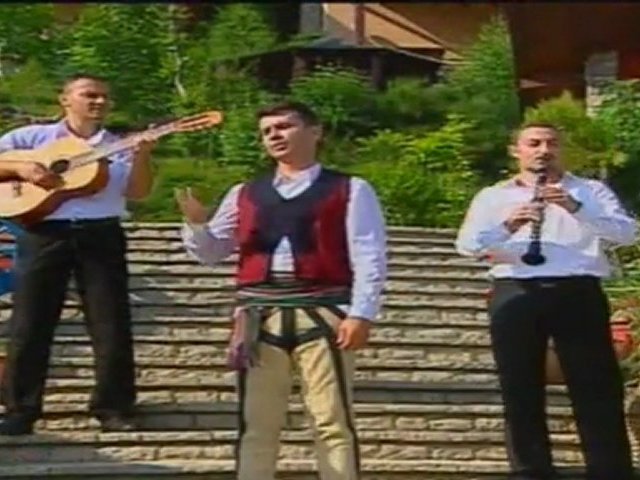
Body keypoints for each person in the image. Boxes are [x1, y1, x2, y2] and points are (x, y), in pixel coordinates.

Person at [176, 100, 387, 480]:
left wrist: (361, 313)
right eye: (267, 131)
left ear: (315, 131)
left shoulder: (350, 189)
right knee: (256, 423)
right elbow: (211, 253)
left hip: (323, 308)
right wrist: (196, 225)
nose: (274, 135)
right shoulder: (244, 193)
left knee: (332, 419)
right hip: (259, 314)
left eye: (284, 126)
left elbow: (368, 252)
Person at [455, 122, 636, 480]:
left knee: (596, 386)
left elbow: (628, 233)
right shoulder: (492, 196)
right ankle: (530, 471)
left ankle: (610, 471)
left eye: (551, 143)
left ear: (560, 149)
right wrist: (508, 225)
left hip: (577, 290)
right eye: (534, 143)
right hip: (516, 290)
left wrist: (577, 208)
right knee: (519, 385)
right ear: (516, 151)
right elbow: (467, 245)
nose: (543, 150)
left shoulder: (590, 191)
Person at [0, 73, 156, 435]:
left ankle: (114, 407)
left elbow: (138, 192)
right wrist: (21, 167)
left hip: (101, 233)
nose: (99, 102)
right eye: (90, 95)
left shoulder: (118, 145)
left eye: (104, 97)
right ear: (65, 99)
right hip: (43, 231)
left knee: (110, 321)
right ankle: (20, 409)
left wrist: (144, 156)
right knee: (30, 321)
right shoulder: (31, 138)